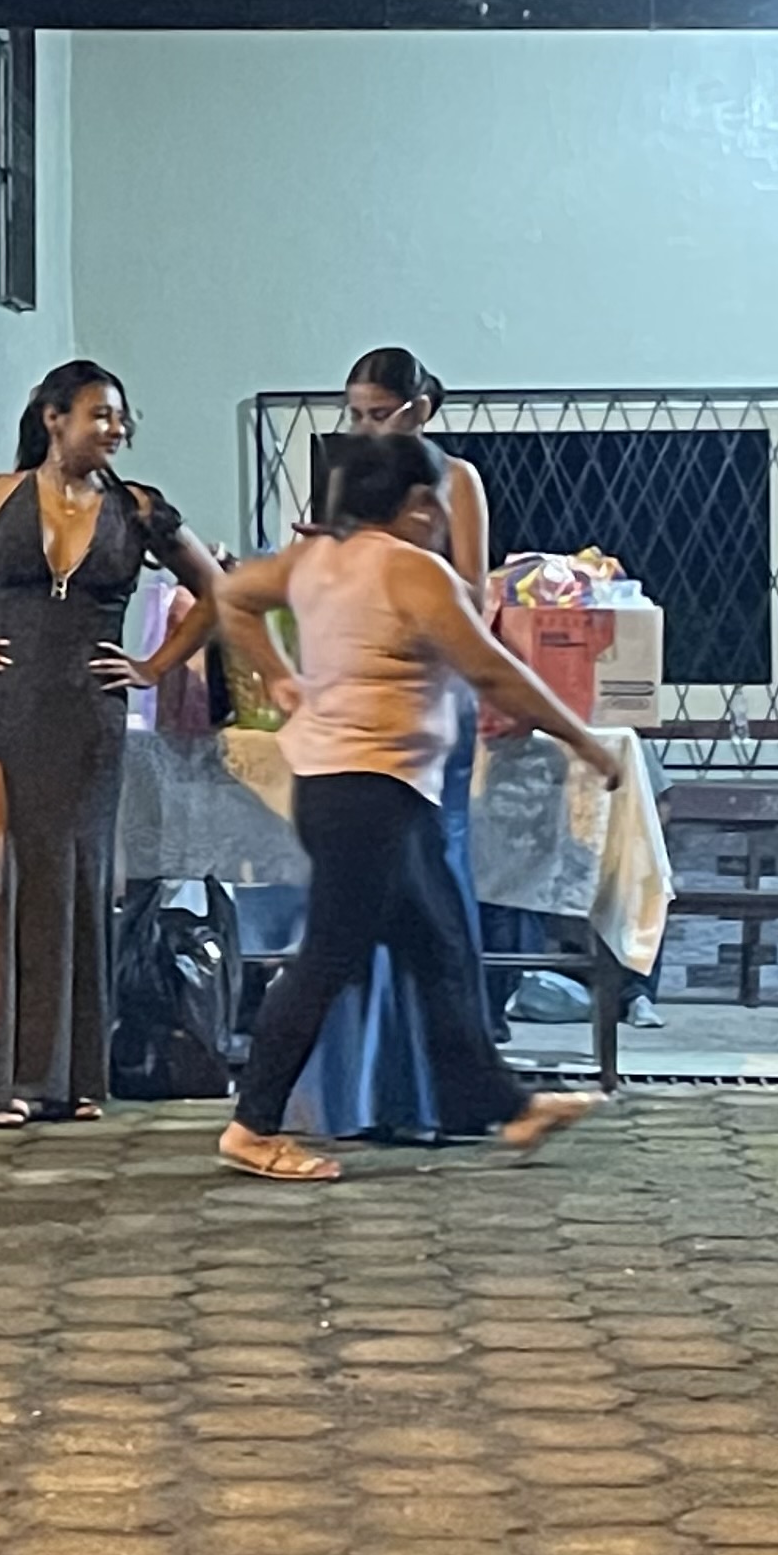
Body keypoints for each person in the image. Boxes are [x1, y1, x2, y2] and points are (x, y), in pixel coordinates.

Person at [206, 432, 606, 1182]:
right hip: (368, 795)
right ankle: (251, 1126)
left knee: (440, 950)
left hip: (358, 789)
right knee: (329, 958)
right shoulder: (412, 571)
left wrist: (280, 674)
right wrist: (585, 741)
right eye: (439, 502)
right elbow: (493, 671)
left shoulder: (317, 559)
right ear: (420, 504)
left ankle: (504, 1106)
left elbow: (233, 596)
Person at [0, 360, 225, 1127]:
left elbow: (219, 590)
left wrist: (153, 666)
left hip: (85, 715)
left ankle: (67, 1074)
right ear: (54, 418)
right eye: (99, 414)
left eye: (120, 416)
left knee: (68, 885)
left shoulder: (138, 509)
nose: (115, 428)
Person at [277, 347, 510, 1139]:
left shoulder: (455, 480)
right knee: (356, 891)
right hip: (356, 701)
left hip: (429, 696)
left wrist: (399, 565)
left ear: (420, 410)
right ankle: (354, 1096)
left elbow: (472, 592)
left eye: (380, 413)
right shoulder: (347, 483)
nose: (367, 428)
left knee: (435, 879)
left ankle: (436, 1095)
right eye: (356, 414)